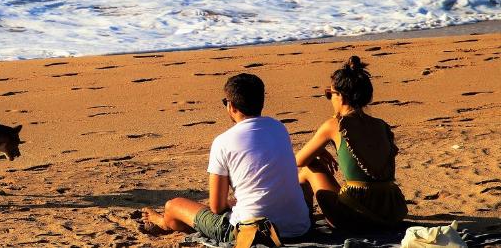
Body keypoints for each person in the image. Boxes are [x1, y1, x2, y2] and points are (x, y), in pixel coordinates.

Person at [140, 73, 311, 243]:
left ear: (231, 106)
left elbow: (217, 207)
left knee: (174, 205)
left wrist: (229, 204)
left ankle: (163, 222)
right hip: (298, 227)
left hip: (251, 231)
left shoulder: (223, 142)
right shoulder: (279, 128)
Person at [296, 56, 408, 229]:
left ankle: (305, 221)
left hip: (356, 218)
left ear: (340, 96)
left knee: (310, 168)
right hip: (391, 212)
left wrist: (318, 151)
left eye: (330, 94)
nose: (330, 99)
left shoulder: (334, 125)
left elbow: (299, 160)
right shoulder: (381, 125)